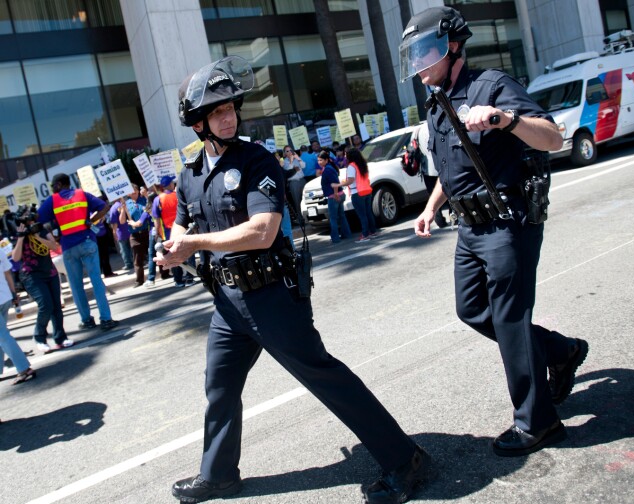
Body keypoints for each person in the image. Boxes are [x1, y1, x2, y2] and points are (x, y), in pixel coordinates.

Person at [159, 56, 432, 504]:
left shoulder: (256, 159)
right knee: (219, 385)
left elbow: (263, 229)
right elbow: (182, 229)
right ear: (197, 123)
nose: (229, 117)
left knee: (323, 375)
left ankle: (405, 459)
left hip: (270, 295)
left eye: (231, 108)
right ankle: (219, 473)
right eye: (218, 111)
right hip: (227, 301)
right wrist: (172, 248)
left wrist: (196, 243)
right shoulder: (188, 176)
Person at [400, 6, 589, 457]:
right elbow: (455, 169)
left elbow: (552, 137)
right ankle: (561, 351)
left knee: (509, 319)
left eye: (425, 52)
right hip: (469, 228)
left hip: (507, 222)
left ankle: (538, 424)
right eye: (414, 55)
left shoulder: (493, 86)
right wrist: (429, 209)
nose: (419, 64)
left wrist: (505, 119)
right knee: (472, 311)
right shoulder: (436, 104)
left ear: (452, 45)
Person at [37, 173, 119, 331]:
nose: (53, 190)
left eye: (53, 186)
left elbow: (38, 218)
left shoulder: (52, 200)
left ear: (60, 184)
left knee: (76, 285)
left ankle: (87, 320)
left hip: (68, 246)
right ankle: (106, 319)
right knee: (96, 281)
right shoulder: (82, 194)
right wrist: (92, 221)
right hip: (87, 241)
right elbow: (104, 206)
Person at [11, 210, 72, 352]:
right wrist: (21, 237)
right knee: (45, 305)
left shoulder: (41, 230)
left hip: (49, 272)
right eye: (28, 220)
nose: (31, 222)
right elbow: (15, 257)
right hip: (31, 275)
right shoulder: (19, 235)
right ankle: (39, 337)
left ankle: (61, 338)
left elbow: (54, 247)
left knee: (56, 306)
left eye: (31, 219)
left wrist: (37, 237)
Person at [0, 251, 37, 385]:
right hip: (4, 297)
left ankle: (24, 368)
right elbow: (7, 272)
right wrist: (13, 293)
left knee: (2, 336)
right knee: (1, 335)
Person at [153, 175, 194, 287]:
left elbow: (156, 218)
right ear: (171, 184)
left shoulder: (158, 199)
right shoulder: (178, 195)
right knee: (188, 252)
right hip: (183, 228)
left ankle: (179, 280)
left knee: (171, 254)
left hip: (168, 232)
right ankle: (190, 278)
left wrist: (156, 233)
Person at [332, 148, 379, 243]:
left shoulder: (351, 166)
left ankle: (365, 234)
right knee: (368, 213)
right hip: (366, 191)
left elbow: (350, 180)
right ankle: (373, 232)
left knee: (362, 215)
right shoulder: (362, 164)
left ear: (350, 156)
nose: (345, 156)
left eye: (346, 154)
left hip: (357, 193)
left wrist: (338, 184)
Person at [416, 123, 450, 228]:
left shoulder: (418, 130)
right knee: (449, 190)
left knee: (433, 194)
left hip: (427, 167)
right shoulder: (439, 125)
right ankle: (454, 215)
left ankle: (439, 220)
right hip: (441, 163)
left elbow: (414, 147)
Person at [317, 150, 351, 244]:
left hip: (334, 196)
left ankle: (335, 238)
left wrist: (335, 194)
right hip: (338, 195)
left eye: (321, 160)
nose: (319, 162)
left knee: (333, 218)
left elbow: (335, 183)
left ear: (326, 160)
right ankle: (346, 234)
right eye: (318, 160)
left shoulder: (328, 169)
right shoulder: (329, 168)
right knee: (341, 216)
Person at [120, 184, 150, 288]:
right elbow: (122, 221)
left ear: (138, 191)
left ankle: (164, 273)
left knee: (153, 253)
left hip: (147, 231)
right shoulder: (125, 204)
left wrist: (146, 196)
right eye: (130, 191)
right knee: (137, 258)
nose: (133, 192)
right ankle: (139, 280)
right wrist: (123, 210)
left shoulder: (144, 200)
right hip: (134, 234)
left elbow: (150, 210)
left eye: (135, 190)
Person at [281, 145, 306, 223]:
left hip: (302, 180)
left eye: (290, 150)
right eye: (287, 151)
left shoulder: (296, 159)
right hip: (294, 182)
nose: (289, 152)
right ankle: (300, 218)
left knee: (304, 199)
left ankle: (306, 216)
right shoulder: (284, 162)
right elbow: (288, 170)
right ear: (284, 153)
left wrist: (298, 159)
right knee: (297, 200)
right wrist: (291, 162)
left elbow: (304, 166)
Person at [109, 198, 134, 271]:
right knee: (132, 248)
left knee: (124, 250)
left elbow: (114, 223)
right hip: (130, 229)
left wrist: (114, 233)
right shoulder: (127, 205)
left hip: (121, 233)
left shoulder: (113, 208)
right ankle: (136, 261)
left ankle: (128, 264)